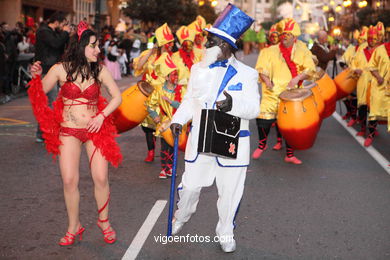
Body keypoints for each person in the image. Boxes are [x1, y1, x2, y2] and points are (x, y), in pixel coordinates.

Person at [169, 4, 259, 252]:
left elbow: (254, 109)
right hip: (201, 139)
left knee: (229, 194)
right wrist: (178, 120)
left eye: (212, 41)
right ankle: (181, 217)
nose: (206, 45)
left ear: (226, 46)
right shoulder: (198, 69)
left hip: (232, 142)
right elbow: (190, 100)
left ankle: (226, 231)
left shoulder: (248, 75)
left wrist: (233, 103)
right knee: (189, 188)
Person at [28, 21, 122, 246]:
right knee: (69, 181)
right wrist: (35, 76)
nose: (98, 50)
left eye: (98, 46)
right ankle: (74, 226)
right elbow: (39, 93)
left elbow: (117, 97)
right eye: (93, 46)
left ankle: (104, 221)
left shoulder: (99, 70)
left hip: (95, 130)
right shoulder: (60, 69)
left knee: (100, 176)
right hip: (68, 132)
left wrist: (100, 117)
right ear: (80, 46)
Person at [254, 18, 316, 164]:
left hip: (291, 93)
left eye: (288, 36)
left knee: (290, 125)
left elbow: (310, 69)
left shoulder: (302, 50)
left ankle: (289, 154)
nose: (284, 38)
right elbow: (261, 68)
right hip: (272, 91)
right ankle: (262, 145)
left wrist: (297, 78)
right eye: (283, 35)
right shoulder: (269, 51)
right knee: (263, 119)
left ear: (295, 37)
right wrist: (267, 80)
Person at [133, 23, 175, 163]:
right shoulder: (149, 55)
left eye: (170, 43)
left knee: (164, 126)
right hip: (150, 94)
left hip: (165, 96)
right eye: (167, 43)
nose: (169, 46)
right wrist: (151, 52)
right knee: (147, 127)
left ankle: (167, 157)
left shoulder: (172, 58)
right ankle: (150, 151)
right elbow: (138, 67)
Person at [34, 12, 70, 142]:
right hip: (47, 71)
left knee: (55, 102)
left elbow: (63, 46)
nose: (64, 26)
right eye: (63, 24)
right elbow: (55, 44)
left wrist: (67, 34)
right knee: (50, 102)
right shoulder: (44, 31)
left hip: (55, 69)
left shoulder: (54, 32)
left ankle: (46, 132)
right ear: (56, 22)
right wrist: (65, 33)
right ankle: (42, 133)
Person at [146, 53, 182, 178]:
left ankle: (170, 168)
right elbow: (149, 105)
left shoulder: (181, 90)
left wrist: (171, 101)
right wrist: (154, 116)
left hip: (178, 122)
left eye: (177, 74)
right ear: (166, 77)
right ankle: (164, 169)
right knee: (165, 146)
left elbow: (184, 106)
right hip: (165, 123)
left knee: (173, 146)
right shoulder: (159, 90)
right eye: (173, 75)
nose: (176, 77)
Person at [363, 25, 389, 146]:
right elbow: (371, 66)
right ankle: (371, 135)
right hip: (379, 87)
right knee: (374, 111)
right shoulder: (380, 50)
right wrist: (378, 77)